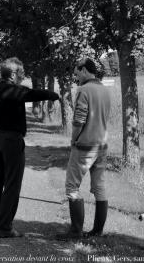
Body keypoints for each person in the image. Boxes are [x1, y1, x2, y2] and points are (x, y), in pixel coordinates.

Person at [0, 57, 60, 238]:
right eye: (21, 74)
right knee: (12, 183)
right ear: (14, 74)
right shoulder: (14, 90)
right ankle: (4, 227)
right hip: (11, 140)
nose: (22, 77)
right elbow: (33, 94)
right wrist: (54, 95)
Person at [56, 58, 111, 240]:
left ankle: (76, 231)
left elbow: (79, 119)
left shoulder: (84, 90)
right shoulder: (104, 90)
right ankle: (97, 231)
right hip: (102, 145)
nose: (76, 77)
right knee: (100, 187)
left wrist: (73, 139)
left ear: (85, 70)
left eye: (77, 73)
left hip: (85, 147)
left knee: (72, 186)